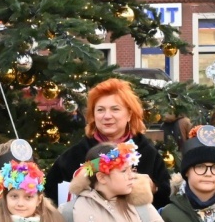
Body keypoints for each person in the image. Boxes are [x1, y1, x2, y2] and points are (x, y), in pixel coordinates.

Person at [45, 78, 171, 208]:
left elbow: (165, 198)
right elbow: (50, 200)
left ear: (129, 114)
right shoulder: (74, 156)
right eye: (100, 110)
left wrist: (153, 187)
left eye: (115, 109)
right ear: (93, 115)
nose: (107, 116)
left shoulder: (147, 153)